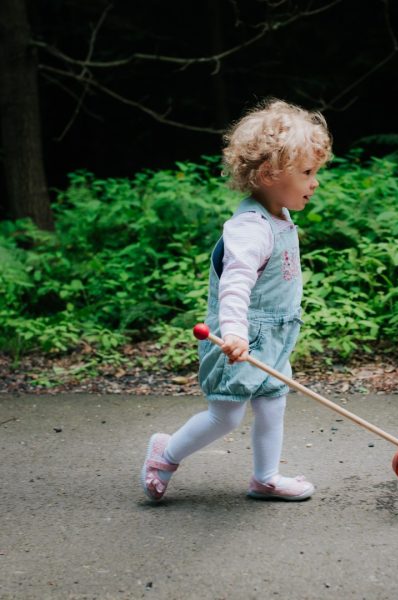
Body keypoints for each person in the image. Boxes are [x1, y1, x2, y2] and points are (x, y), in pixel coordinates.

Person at [141, 98, 332, 502]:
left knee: (272, 404)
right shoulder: (250, 228)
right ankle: (166, 454)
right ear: (268, 174)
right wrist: (234, 332)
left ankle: (265, 477)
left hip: (275, 337)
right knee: (225, 415)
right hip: (240, 339)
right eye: (307, 173)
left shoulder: (279, 215)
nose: (315, 182)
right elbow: (235, 285)